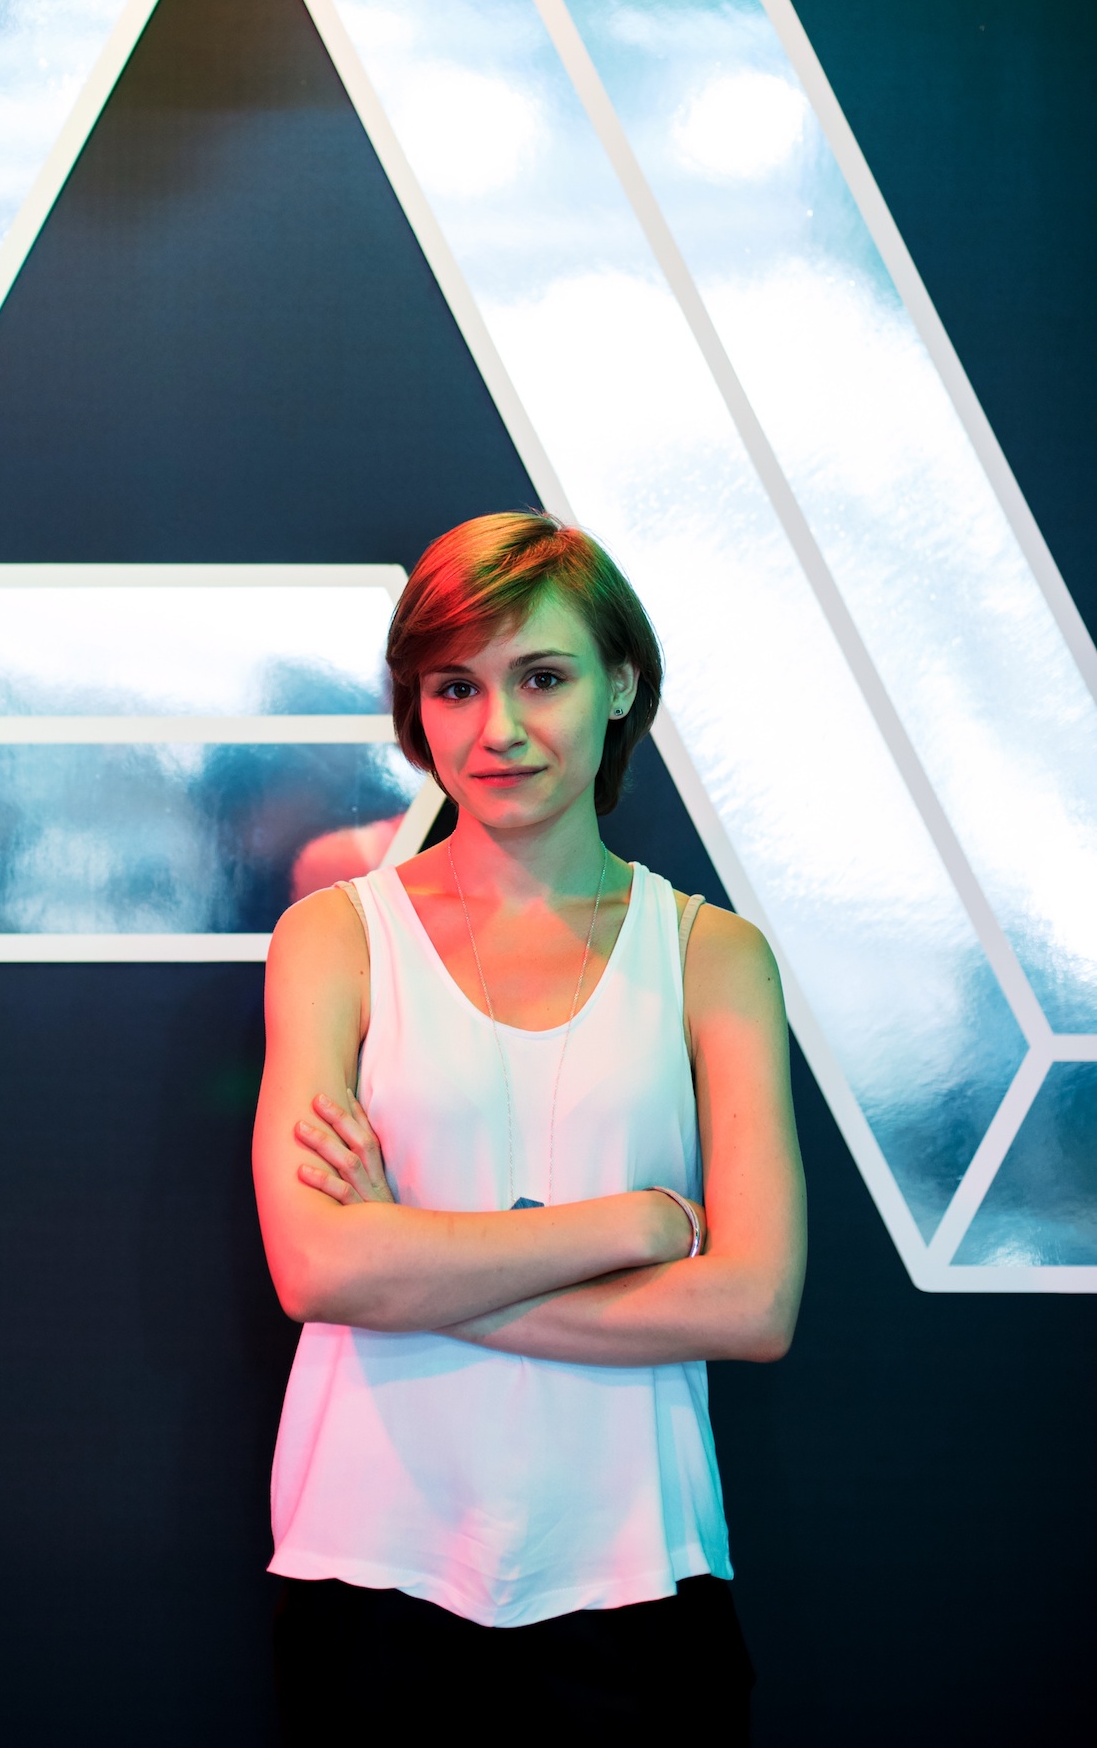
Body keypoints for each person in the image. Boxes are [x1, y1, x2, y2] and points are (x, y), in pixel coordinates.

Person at [253, 512, 807, 1743]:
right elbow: (317, 1270)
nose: (498, 727)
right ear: (418, 711)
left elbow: (753, 1305)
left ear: (621, 685)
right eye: (457, 686)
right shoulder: (334, 938)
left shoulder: (714, 958)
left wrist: (413, 1269)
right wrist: (639, 1224)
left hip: (638, 1579)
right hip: (370, 1570)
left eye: (542, 677)